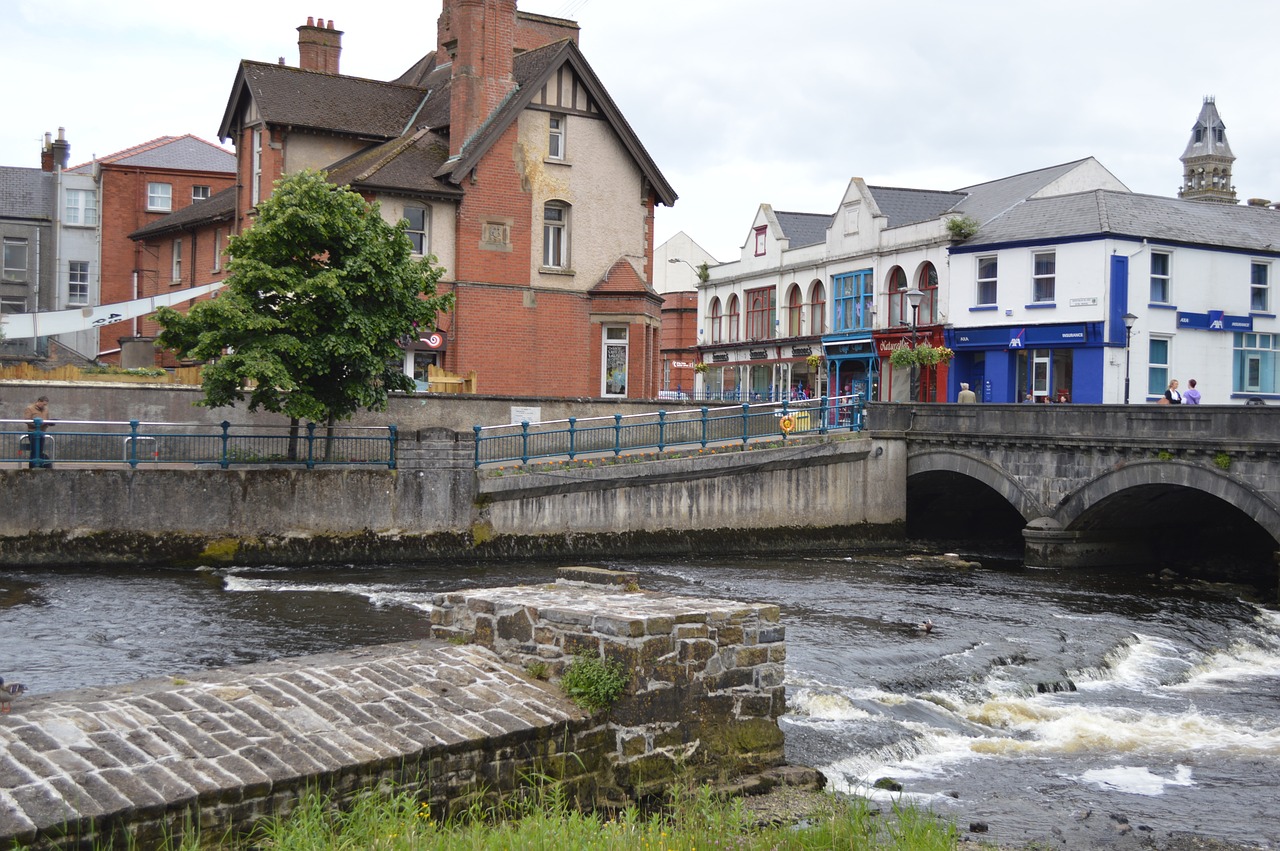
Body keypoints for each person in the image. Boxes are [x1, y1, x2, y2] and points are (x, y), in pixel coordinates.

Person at [22, 395, 53, 468]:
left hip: (42, 432)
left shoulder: (46, 410)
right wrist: (37, 424)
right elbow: (27, 420)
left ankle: (39, 465)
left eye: (46, 405)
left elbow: (47, 419)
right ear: (39, 401)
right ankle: (32, 466)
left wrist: (49, 423)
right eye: (44, 404)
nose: (44, 406)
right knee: (34, 450)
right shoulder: (30, 409)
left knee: (40, 449)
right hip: (33, 432)